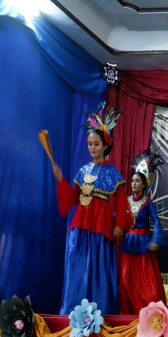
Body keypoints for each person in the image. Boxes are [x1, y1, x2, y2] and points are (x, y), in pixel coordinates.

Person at [52, 102, 126, 315]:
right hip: (81, 223)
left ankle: (101, 310)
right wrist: (61, 180)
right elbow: (72, 198)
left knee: (100, 267)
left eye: (96, 144)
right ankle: (74, 310)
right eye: (89, 144)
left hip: (101, 225)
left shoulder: (112, 172)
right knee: (78, 264)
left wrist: (120, 223)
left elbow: (122, 202)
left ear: (105, 145)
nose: (92, 148)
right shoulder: (83, 170)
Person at [119, 151, 167, 314]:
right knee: (127, 280)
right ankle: (129, 313)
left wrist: (155, 240)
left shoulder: (147, 203)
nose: (134, 184)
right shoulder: (126, 201)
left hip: (143, 244)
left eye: (137, 181)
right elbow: (119, 217)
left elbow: (157, 222)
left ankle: (150, 313)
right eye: (132, 181)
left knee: (147, 284)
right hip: (129, 244)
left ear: (144, 184)